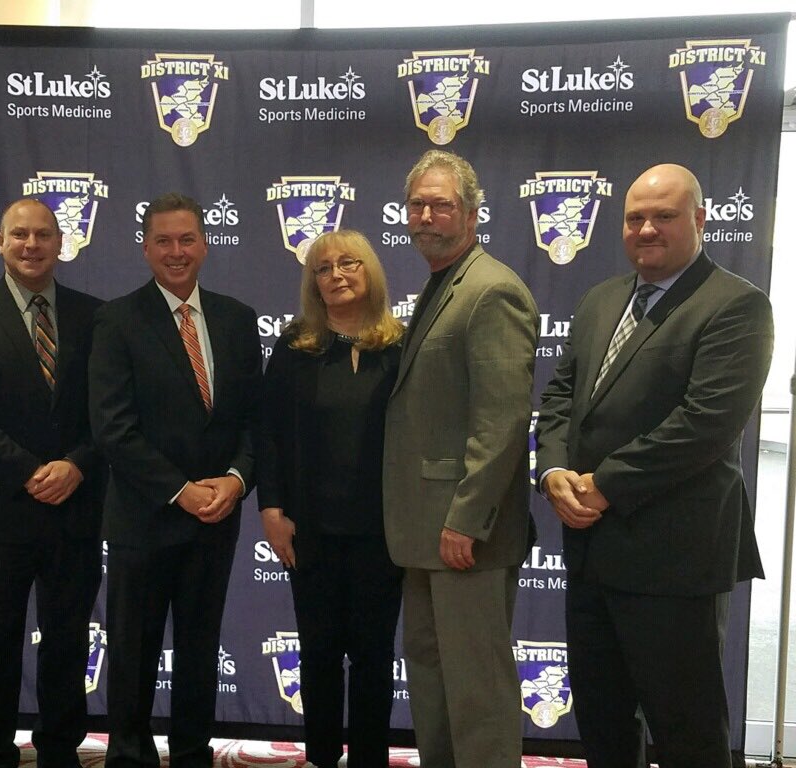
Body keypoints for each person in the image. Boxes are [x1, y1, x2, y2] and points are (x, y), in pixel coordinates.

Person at [534, 163, 772, 768]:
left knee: (686, 730)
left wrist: (604, 484)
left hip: (675, 558)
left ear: (698, 219)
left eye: (663, 216)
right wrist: (554, 470)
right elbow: (562, 396)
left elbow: (705, 424)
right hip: (593, 550)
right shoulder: (600, 300)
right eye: (635, 217)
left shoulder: (736, 306)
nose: (646, 229)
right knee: (603, 723)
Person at [89, 193, 261, 768]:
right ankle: (130, 756)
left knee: (198, 650)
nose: (176, 252)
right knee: (133, 653)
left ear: (205, 245)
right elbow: (113, 427)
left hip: (217, 519)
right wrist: (180, 490)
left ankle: (192, 753)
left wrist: (235, 481)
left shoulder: (237, 319)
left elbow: (252, 421)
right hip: (145, 519)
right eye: (163, 241)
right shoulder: (116, 320)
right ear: (145, 248)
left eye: (187, 239)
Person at [0, 198, 104, 768]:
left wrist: (77, 463)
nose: (32, 245)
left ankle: (60, 750)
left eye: (43, 235)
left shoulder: (95, 316)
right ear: (0, 243)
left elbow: (110, 412)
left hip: (74, 509)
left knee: (67, 642)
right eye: (19, 235)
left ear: (62, 244)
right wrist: (28, 470)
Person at [382, 149, 538, 768]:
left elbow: (501, 424)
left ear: (471, 214)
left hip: (462, 535)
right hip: (426, 533)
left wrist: (465, 520)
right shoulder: (443, 282)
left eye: (440, 204)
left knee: (477, 694)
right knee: (432, 680)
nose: (426, 215)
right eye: (417, 204)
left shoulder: (492, 289)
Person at [257, 230, 405, 768]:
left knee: (372, 656)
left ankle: (369, 759)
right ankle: (320, 757)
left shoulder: (399, 348)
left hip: (381, 532)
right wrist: (271, 509)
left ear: (370, 273)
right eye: (323, 268)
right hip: (310, 530)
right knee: (318, 655)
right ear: (312, 282)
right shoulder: (296, 348)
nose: (337, 275)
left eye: (349, 264)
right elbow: (268, 435)